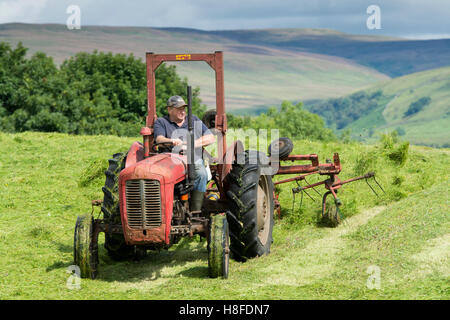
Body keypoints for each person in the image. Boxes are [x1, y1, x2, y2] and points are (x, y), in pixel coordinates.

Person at [153, 95, 215, 212]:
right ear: (169, 109)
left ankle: (195, 211)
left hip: (191, 157)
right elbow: (159, 139)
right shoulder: (161, 122)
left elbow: (210, 138)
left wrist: (192, 143)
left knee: (201, 174)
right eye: (179, 109)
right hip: (168, 158)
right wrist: (171, 141)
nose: (182, 111)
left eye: (183, 108)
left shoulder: (193, 120)